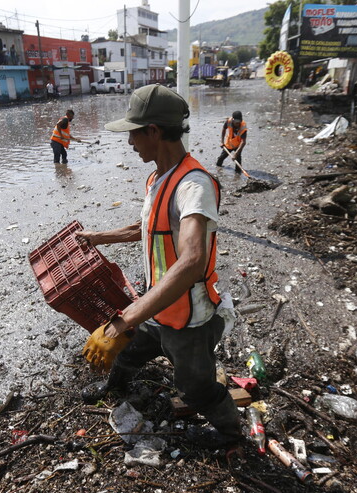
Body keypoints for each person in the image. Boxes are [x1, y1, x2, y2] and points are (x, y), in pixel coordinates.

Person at [75, 84, 242, 448]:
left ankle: (230, 435)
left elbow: (193, 260)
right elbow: (147, 227)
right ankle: (114, 388)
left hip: (188, 318)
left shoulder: (194, 185)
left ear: (153, 131)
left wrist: (122, 321)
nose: (130, 142)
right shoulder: (157, 178)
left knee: (195, 388)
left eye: (133, 133)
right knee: (129, 352)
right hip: (159, 304)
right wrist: (99, 238)